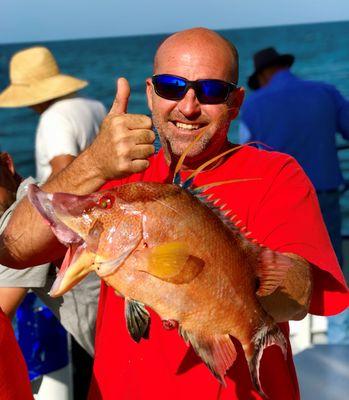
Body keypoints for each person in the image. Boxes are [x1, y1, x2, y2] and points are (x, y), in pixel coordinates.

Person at [0, 28, 348, 400]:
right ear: (150, 92)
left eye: (212, 90)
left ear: (236, 101)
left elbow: (299, 299)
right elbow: (13, 250)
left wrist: (212, 288)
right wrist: (93, 165)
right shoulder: (117, 174)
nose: (188, 106)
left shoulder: (277, 174)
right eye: (171, 86)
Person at [0, 46, 104, 396]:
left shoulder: (53, 119)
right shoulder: (92, 106)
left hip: (66, 244)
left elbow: (67, 175)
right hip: (100, 236)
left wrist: (41, 223)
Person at [239, 47, 349, 268]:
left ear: (263, 75)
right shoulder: (326, 92)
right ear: (285, 67)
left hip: (279, 198)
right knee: (331, 264)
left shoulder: (252, 104)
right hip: (324, 192)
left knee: (288, 268)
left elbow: (245, 156)